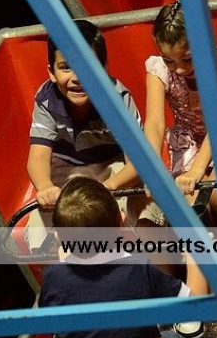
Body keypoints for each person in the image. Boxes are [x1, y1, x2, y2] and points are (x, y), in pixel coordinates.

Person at [25, 19, 165, 255]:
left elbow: (137, 163)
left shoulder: (117, 100)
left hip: (113, 167)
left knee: (146, 214)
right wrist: (45, 186)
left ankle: (150, 266)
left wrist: (108, 186)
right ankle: (61, 270)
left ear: (104, 68)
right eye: (66, 67)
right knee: (43, 228)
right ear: (51, 72)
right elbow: (38, 156)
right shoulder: (46, 99)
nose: (77, 77)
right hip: (68, 169)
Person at [38, 176, 209, 338]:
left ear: (58, 238)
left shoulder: (52, 277)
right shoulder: (139, 270)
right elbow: (194, 309)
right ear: (122, 220)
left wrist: (63, 263)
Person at [143, 0, 217, 225]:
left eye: (188, 58)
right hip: (189, 140)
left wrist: (198, 169)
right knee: (189, 203)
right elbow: (154, 124)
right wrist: (152, 169)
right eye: (169, 61)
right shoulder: (157, 70)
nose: (180, 69)